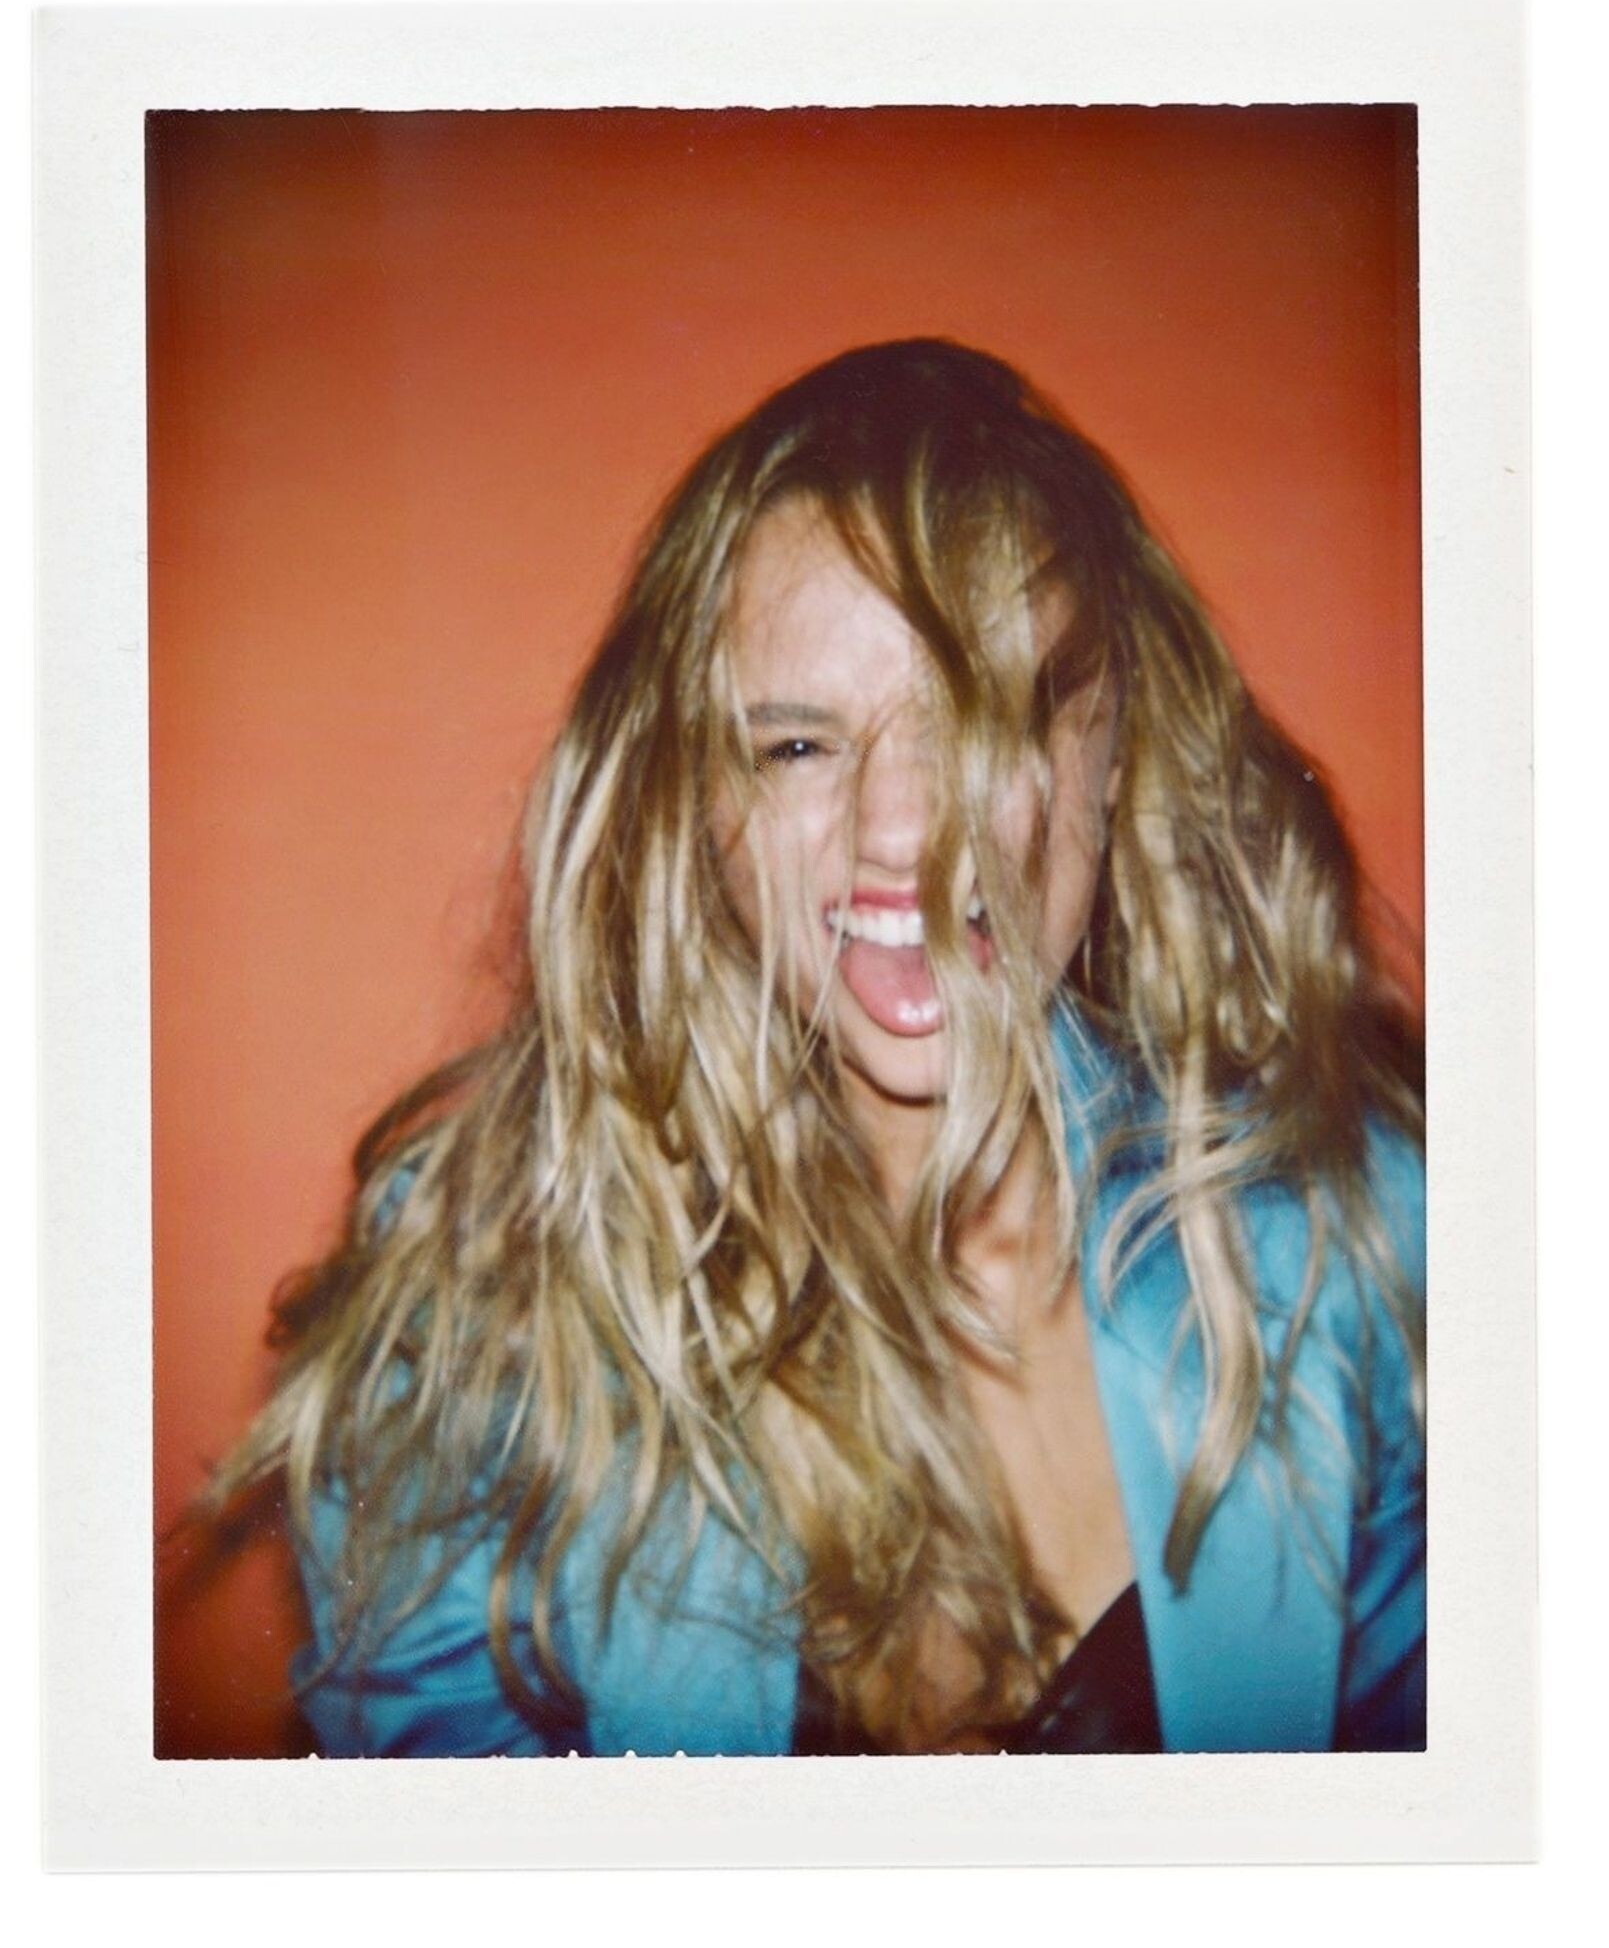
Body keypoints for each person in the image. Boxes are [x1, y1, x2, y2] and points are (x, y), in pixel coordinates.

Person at [210, 338, 1425, 1757]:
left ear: (1112, 750)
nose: (900, 833)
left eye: (983, 720)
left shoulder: (1348, 1234)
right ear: (690, 797)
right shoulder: (483, 1309)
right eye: (797, 747)